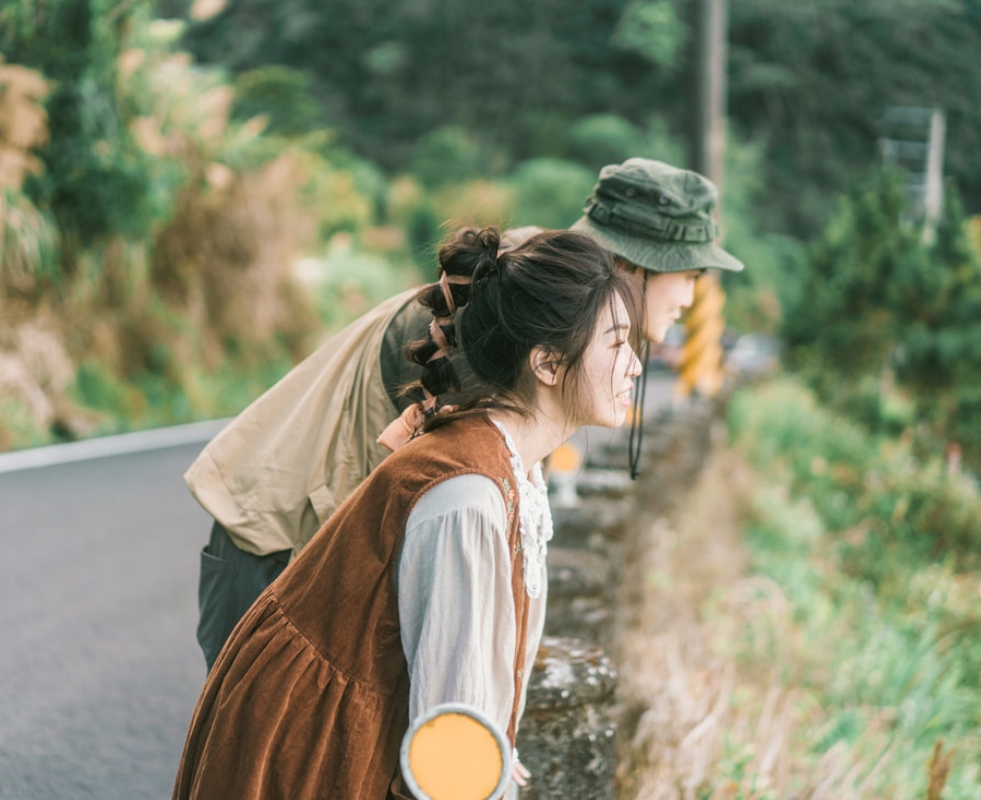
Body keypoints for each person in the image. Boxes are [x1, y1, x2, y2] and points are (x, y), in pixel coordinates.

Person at [184, 158, 744, 671]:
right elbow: (461, 513)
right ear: (635, 264)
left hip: (311, 536)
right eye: (690, 275)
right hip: (276, 538)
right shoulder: (522, 305)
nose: (693, 298)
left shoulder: (552, 295)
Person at [172, 226, 641, 800]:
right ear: (545, 362)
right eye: (617, 345)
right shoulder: (466, 498)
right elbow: (450, 749)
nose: (636, 367)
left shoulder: (511, 465)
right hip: (312, 755)